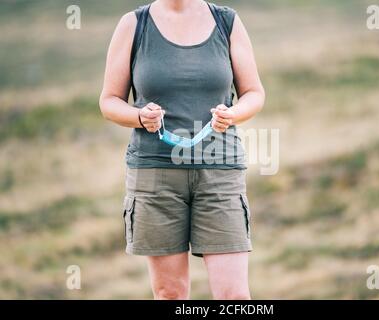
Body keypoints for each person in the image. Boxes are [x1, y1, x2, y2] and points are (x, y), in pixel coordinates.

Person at [99, 0, 265, 300]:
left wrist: (234, 113)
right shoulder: (133, 25)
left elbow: (254, 92)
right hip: (154, 175)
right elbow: (109, 100)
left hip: (219, 172)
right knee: (170, 294)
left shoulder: (227, 22)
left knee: (234, 297)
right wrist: (139, 117)